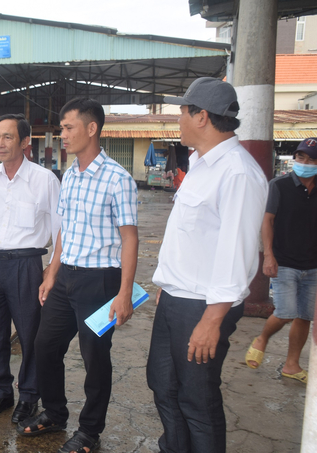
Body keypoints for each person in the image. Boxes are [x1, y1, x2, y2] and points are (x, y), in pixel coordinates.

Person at [147, 77, 268, 452]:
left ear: (201, 116)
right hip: (176, 299)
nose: (177, 120)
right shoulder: (200, 163)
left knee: (197, 399)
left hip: (203, 306)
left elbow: (237, 254)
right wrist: (166, 284)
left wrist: (211, 321)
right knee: (163, 384)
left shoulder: (238, 172)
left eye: (182, 112)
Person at [16, 98, 139, 453]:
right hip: (66, 276)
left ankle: (90, 431)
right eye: (62, 128)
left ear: (91, 128)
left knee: (94, 357)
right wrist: (51, 273)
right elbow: (64, 230)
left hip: (100, 282)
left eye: (68, 128)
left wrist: (125, 293)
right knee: (45, 346)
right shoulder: (69, 174)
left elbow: (129, 238)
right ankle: (54, 412)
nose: (62, 135)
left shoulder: (118, 179)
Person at [0, 113, 61, 425]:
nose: (0, 143)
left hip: (26, 264)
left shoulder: (44, 180)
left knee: (31, 334)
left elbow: (61, 230)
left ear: (24, 142)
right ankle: (1, 391)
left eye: (8, 137)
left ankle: (30, 396)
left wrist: (51, 270)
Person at [245, 137, 317, 383]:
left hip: (313, 264)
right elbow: (267, 221)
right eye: (301, 157)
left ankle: (292, 364)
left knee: (305, 316)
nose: (305, 162)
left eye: (311, 159)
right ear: (294, 158)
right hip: (284, 260)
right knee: (286, 311)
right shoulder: (280, 185)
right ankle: (262, 338)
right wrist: (269, 255)